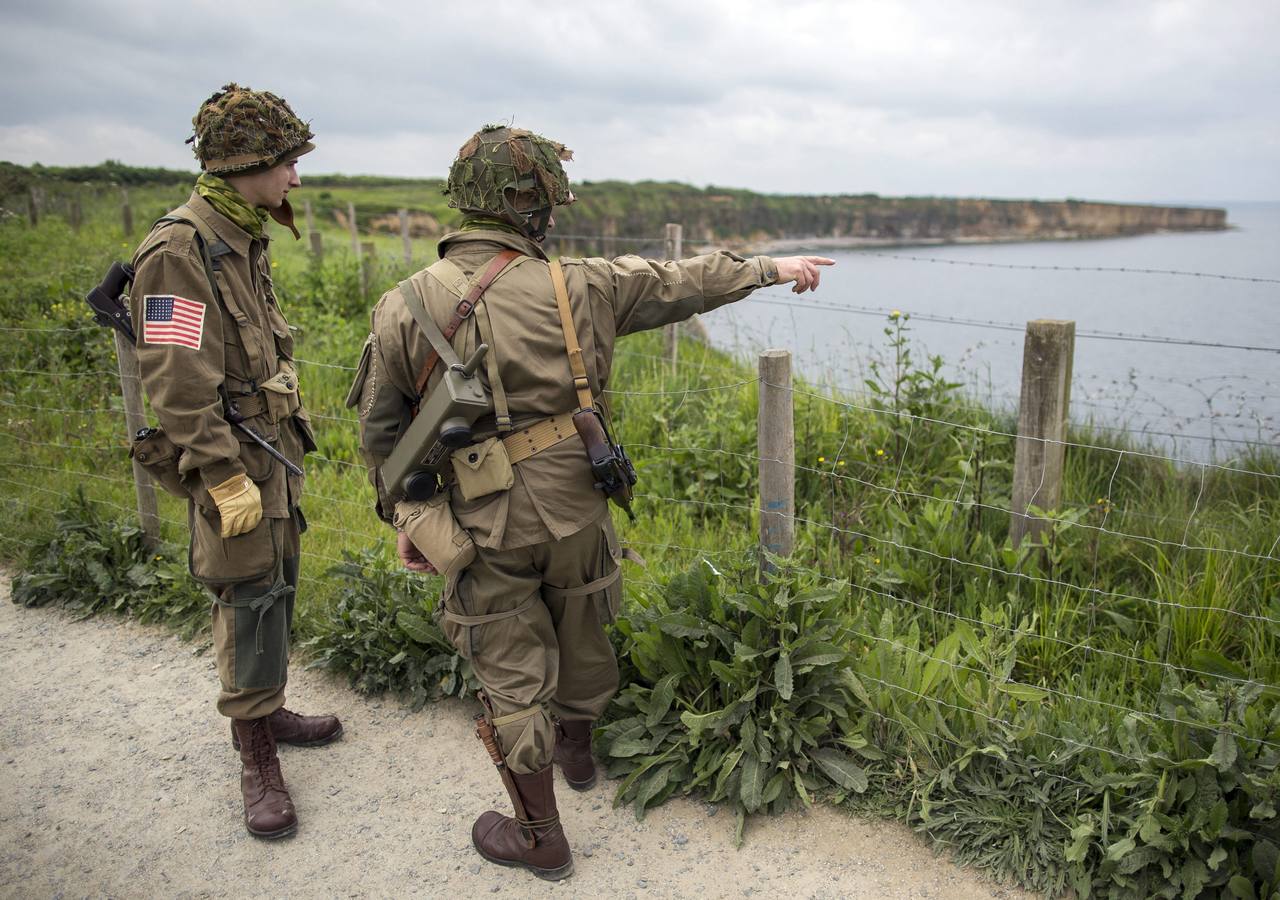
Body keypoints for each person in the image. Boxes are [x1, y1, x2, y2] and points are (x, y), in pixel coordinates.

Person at [351, 124, 832, 879]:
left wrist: (406, 519)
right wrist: (772, 267)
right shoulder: (582, 283)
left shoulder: (402, 305)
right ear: (537, 208)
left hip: (479, 521)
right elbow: (683, 282)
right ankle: (577, 750)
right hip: (579, 496)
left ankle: (542, 835)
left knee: (509, 669)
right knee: (584, 620)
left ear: (465, 204)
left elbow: (381, 435)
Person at [128, 83, 341, 840]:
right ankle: (254, 755)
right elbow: (176, 380)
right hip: (229, 453)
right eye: (286, 163)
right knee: (246, 592)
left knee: (277, 579)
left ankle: (270, 707)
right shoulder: (177, 250)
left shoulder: (241, 233)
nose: (295, 177)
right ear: (249, 163)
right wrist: (219, 474)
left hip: (269, 445)